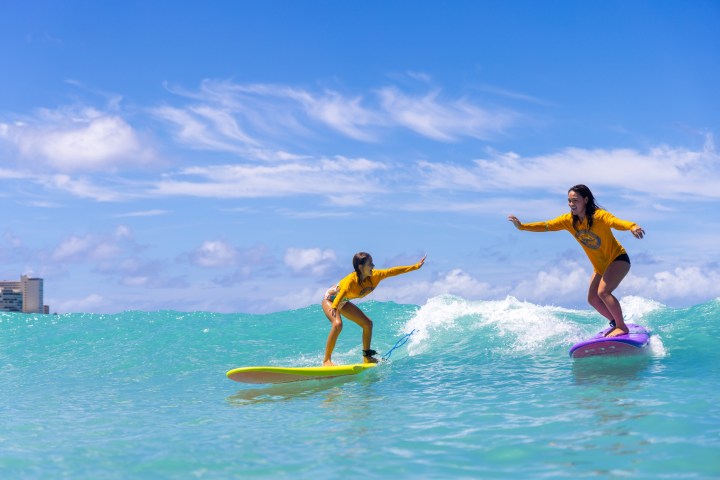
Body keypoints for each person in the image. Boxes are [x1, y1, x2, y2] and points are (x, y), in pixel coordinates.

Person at [507, 184, 645, 338]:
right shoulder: (568, 220)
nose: (571, 204)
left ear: (585, 200)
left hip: (618, 259)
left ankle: (621, 326)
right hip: (600, 267)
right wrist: (522, 227)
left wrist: (632, 226)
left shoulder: (599, 216)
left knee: (603, 292)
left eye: (575, 200)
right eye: (569, 201)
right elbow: (547, 225)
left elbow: (615, 222)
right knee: (593, 298)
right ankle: (615, 322)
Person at [322, 252, 426, 366]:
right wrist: (335, 306)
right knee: (337, 324)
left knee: (368, 324)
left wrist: (415, 267)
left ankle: (367, 357)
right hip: (331, 299)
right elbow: (341, 293)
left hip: (343, 302)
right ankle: (327, 360)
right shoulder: (350, 281)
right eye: (370, 264)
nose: (373, 266)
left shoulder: (376, 275)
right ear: (361, 267)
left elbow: (393, 271)